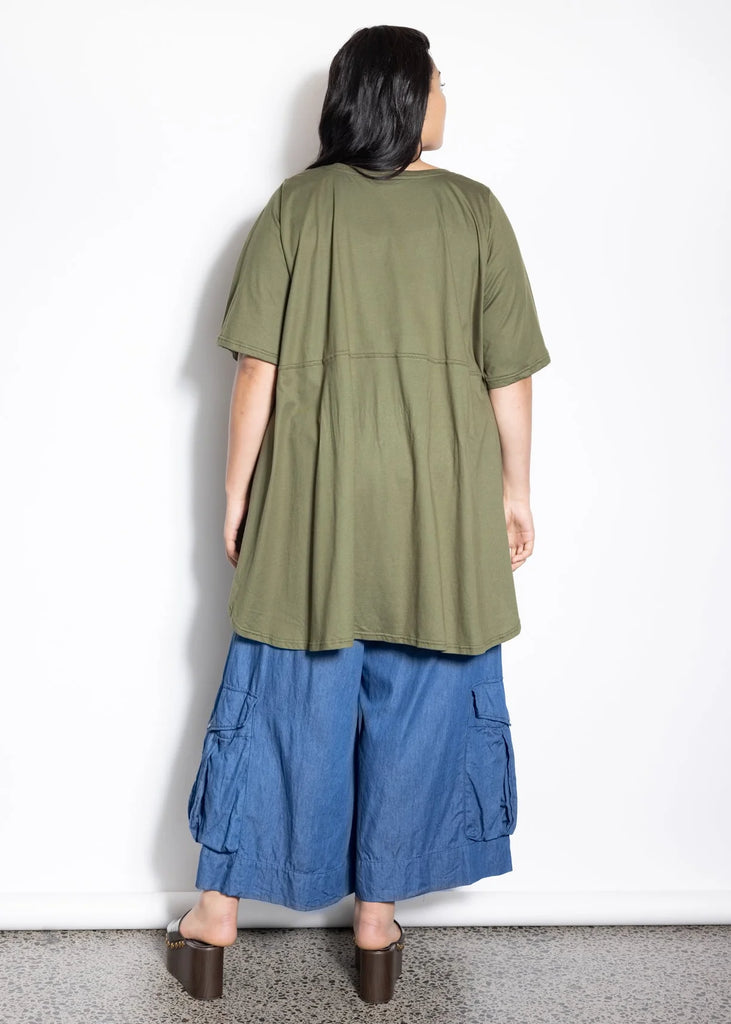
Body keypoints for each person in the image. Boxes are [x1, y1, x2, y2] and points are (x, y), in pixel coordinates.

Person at [165, 24, 551, 1004]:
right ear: (401, 95)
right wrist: (514, 490)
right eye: (436, 80)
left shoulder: (297, 207)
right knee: (424, 704)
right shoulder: (473, 212)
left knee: (282, 700)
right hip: (439, 505)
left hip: (314, 501)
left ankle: (216, 915)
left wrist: (236, 493)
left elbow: (256, 369)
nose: (445, 97)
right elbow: (507, 374)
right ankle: (375, 925)